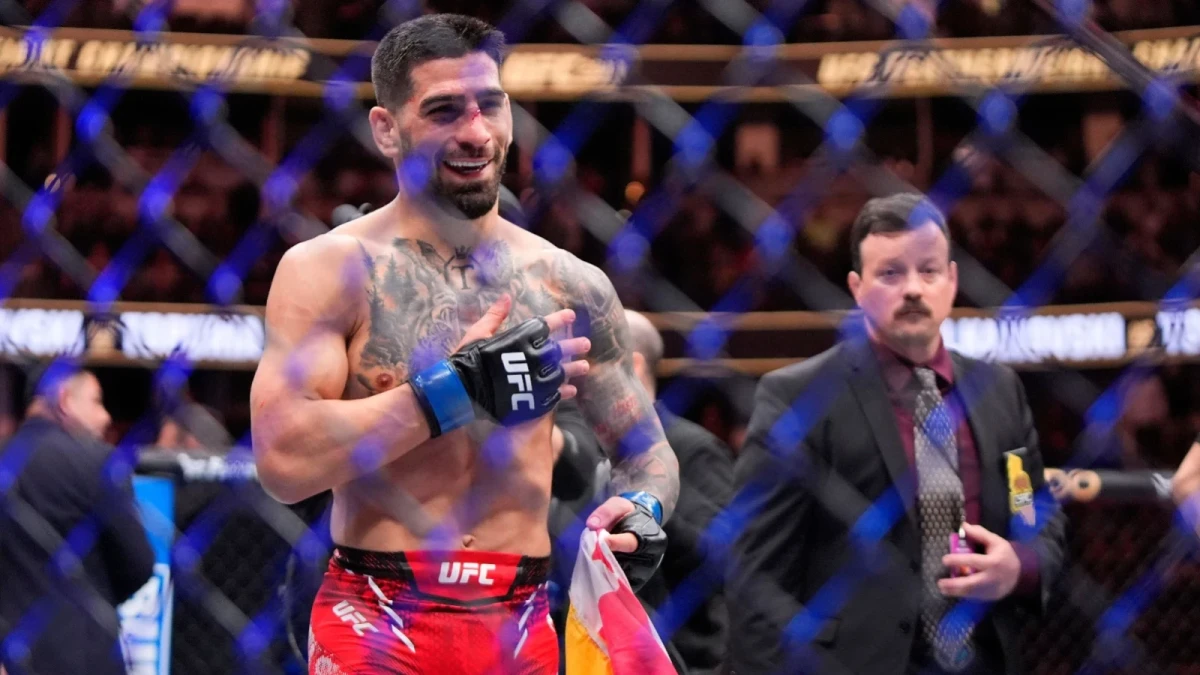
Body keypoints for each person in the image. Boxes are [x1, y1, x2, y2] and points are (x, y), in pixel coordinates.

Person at [249, 13, 679, 674]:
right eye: (445, 110)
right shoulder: (329, 271)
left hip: (522, 615)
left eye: (491, 106)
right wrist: (450, 390)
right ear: (386, 129)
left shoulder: (571, 283)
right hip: (376, 611)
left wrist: (644, 507)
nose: (476, 132)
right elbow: (282, 457)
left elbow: (646, 451)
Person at [727, 193, 1067, 675]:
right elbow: (754, 578)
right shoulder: (796, 396)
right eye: (890, 273)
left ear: (951, 280)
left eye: (928, 271)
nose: (912, 288)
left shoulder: (999, 390)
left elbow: (1035, 512)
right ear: (857, 287)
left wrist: (1021, 564)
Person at [0, 362, 155, 675]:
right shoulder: (95, 462)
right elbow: (138, 565)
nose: (106, 417)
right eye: (96, 402)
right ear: (65, 400)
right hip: (83, 652)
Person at [625, 310, 735, 675]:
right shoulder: (576, 448)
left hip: (684, 656)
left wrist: (644, 506)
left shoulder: (692, 449)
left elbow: (724, 557)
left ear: (631, 365)